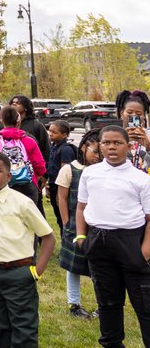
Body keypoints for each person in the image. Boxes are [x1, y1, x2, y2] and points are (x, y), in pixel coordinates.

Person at [0, 150, 56, 348]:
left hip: (19, 271)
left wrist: (36, 272)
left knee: (23, 325)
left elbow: (48, 237)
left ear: (8, 176)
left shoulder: (23, 203)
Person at [76, 124, 150, 347]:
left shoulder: (141, 178)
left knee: (145, 304)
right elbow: (81, 207)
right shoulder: (90, 173)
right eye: (106, 142)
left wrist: (144, 251)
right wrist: (81, 237)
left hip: (131, 243)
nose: (111, 147)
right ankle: (112, 343)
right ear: (99, 145)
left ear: (128, 146)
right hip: (99, 242)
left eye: (117, 143)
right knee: (108, 302)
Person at [56, 128, 100, 319]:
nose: (98, 156)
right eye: (95, 151)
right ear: (83, 148)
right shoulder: (69, 169)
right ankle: (74, 304)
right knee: (73, 267)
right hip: (74, 225)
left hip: (98, 227)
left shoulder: (103, 171)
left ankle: (103, 304)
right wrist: (66, 223)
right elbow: (62, 199)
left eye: (101, 152)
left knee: (99, 268)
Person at [0, 105, 46, 205]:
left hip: (1, 185)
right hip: (27, 185)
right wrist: (37, 175)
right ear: (18, 121)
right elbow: (39, 165)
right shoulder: (28, 140)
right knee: (27, 217)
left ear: (2, 121)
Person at [45, 118, 77, 231]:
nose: (50, 134)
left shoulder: (66, 150)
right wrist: (48, 184)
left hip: (62, 188)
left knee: (64, 216)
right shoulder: (54, 147)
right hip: (54, 185)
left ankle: (67, 239)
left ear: (64, 135)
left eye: (54, 132)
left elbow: (65, 173)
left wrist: (60, 194)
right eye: (50, 131)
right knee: (58, 217)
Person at [9, 95, 51, 170]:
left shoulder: (36, 125)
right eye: (12, 103)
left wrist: (44, 173)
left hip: (31, 169)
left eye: (18, 103)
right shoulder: (7, 124)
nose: (14, 104)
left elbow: (46, 149)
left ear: (26, 108)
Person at [116, 89, 150, 172]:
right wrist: (122, 142)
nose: (134, 116)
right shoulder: (113, 136)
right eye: (129, 112)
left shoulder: (148, 135)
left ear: (144, 116)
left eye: (138, 114)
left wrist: (149, 147)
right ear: (121, 113)